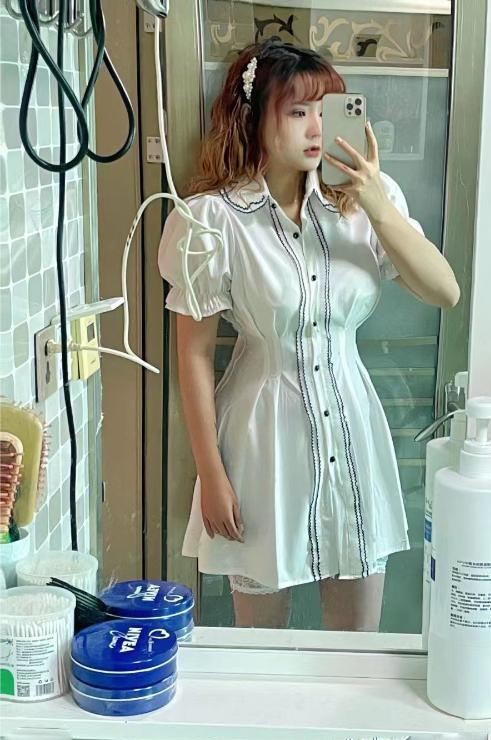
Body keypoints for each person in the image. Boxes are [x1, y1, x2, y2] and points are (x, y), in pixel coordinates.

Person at [158, 38, 460, 631]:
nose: (317, 128)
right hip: (260, 439)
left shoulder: (366, 206)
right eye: (298, 112)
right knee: (262, 640)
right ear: (255, 117)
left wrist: (376, 203)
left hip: (352, 427)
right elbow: (193, 355)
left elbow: (444, 291)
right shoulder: (212, 220)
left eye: (328, 110)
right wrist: (211, 475)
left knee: (356, 642)